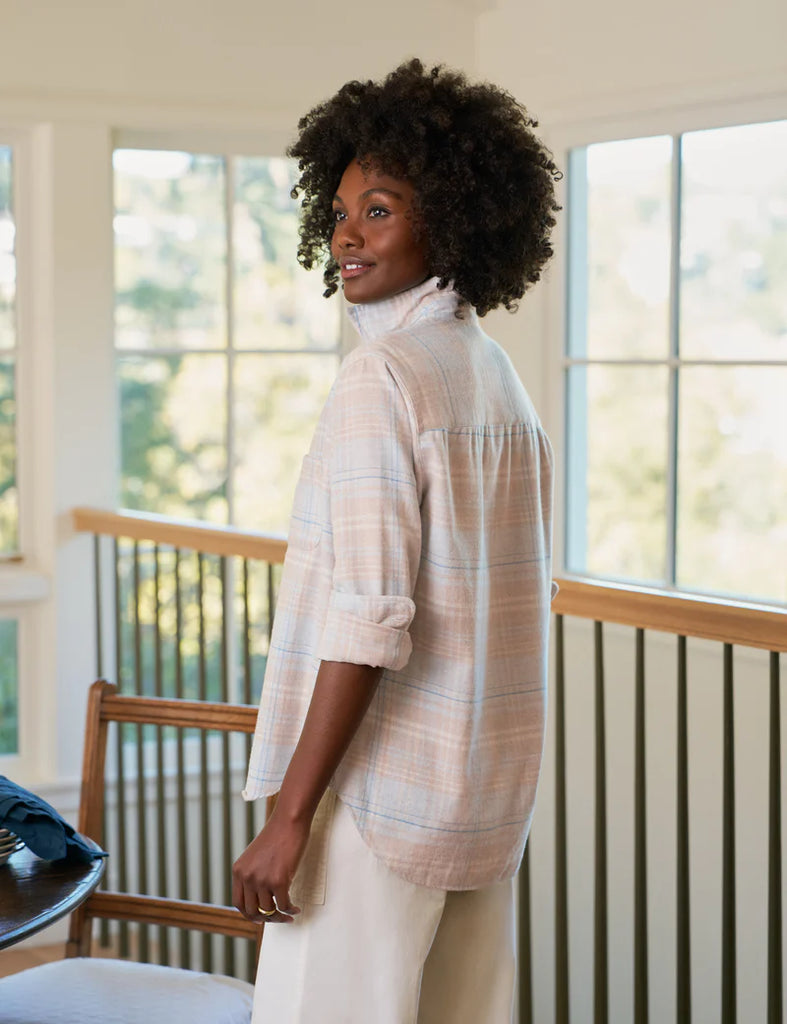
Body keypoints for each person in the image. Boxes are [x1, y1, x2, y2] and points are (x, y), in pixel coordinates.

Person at [232, 58, 560, 1024]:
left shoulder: (384, 382)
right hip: (482, 794)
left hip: (377, 801)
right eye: (338, 210)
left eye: (380, 209)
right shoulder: (492, 375)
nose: (345, 234)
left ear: (452, 218)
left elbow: (369, 619)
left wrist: (290, 819)